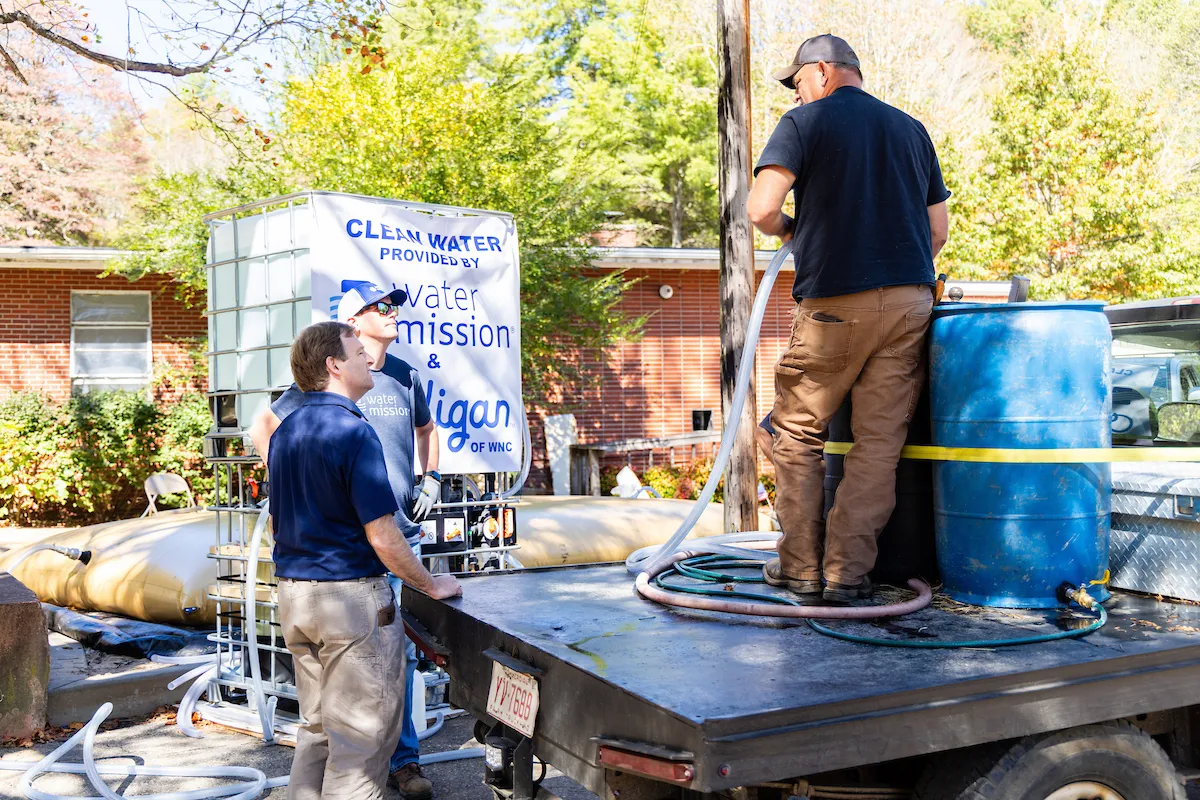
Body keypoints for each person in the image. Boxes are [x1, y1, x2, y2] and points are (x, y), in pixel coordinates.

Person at [747, 34, 950, 603]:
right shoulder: (912, 130)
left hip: (835, 304)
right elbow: (938, 233)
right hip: (911, 304)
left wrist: (792, 233)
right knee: (879, 445)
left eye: (797, 83)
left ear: (822, 72)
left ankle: (802, 570)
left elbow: (761, 208)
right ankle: (846, 575)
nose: (796, 95)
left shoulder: (805, 124)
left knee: (796, 433)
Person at [250, 282, 441, 800]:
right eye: (357, 353)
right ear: (335, 366)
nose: (366, 360)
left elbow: (276, 524)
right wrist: (430, 585)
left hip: (296, 598)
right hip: (350, 602)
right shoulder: (355, 432)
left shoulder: (288, 433)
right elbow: (383, 536)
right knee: (360, 746)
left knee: (316, 732)